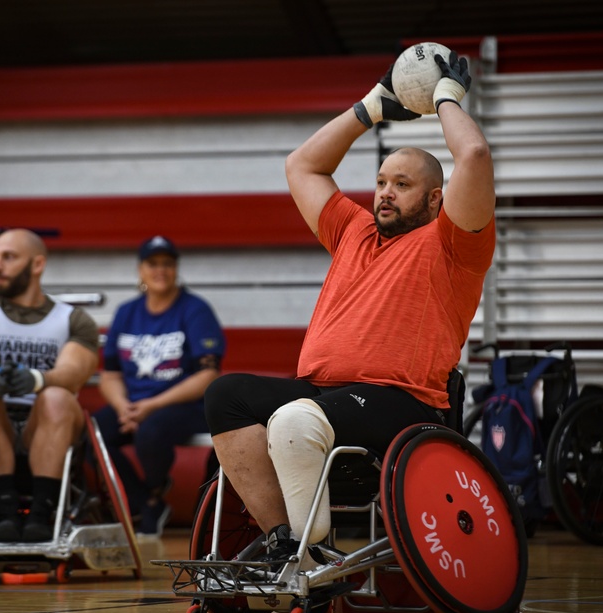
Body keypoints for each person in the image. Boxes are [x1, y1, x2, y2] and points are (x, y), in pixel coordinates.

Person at [204, 51, 495, 564]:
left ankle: (310, 562)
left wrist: (445, 97)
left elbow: (472, 157)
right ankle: (285, 545)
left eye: (401, 186)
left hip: (403, 403)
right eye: (381, 181)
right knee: (225, 395)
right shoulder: (353, 231)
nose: (384, 194)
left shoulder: (454, 244)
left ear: (434, 200)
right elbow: (302, 164)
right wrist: (370, 107)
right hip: (323, 396)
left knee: (295, 420)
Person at [0, 229, 99, 543]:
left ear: (38, 264)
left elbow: (74, 371)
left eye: (8, 257)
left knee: (57, 396)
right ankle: (5, 513)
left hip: (45, 427)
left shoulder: (74, 319)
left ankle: (41, 516)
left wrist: (38, 380)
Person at [94, 236, 225, 538]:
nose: (160, 270)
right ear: (140, 269)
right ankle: (145, 501)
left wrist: (151, 406)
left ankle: (153, 491)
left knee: (150, 430)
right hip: (134, 404)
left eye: (167, 263)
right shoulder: (127, 311)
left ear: (176, 268)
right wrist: (122, 406)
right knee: (92, 433)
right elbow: (110, 373)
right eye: (153, 264)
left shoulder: (194, 310)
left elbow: (208, 375)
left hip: (185, 405)